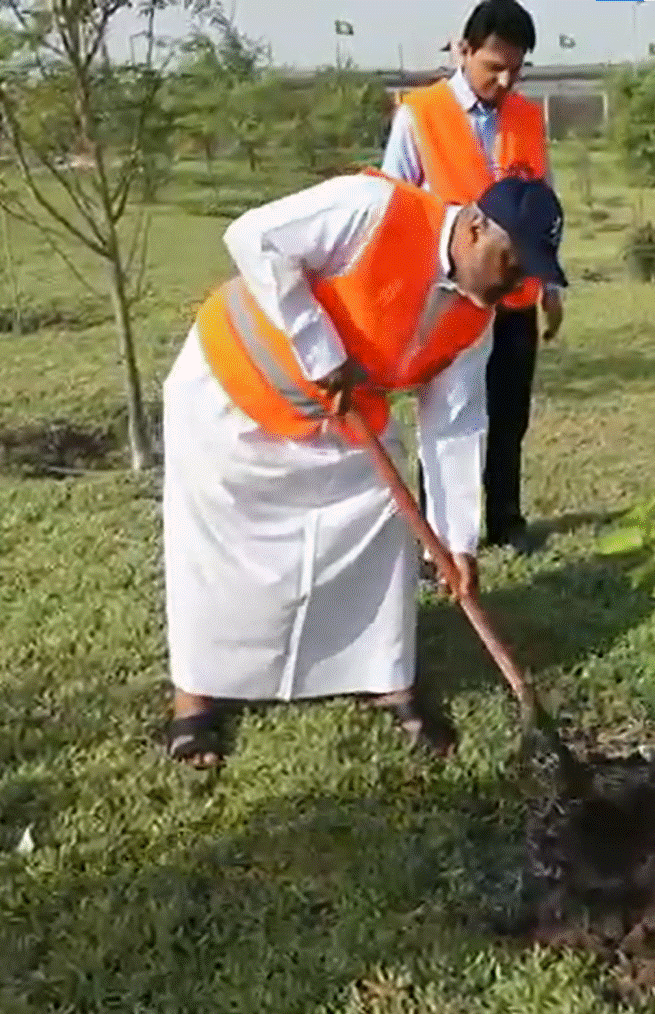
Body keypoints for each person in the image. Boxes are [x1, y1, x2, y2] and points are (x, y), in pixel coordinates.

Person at [160, 169, 568, 768]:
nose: (516, 283)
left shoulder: (477, 317)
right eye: (512, 263)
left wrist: (455, 545)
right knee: (217, 553)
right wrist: (319, 349)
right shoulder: (372, 207)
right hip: (234, 389)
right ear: (476, 227)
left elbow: (454, 424)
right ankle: (194, 701)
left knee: (380, 524)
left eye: (528, 272)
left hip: (341, 416)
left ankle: (388, 681)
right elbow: (253, 237)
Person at [381, 0, 563, 564]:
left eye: (516, 69)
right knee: (448, 420)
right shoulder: (420, 115)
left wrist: (551, 288)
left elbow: (543, 204)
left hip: (514, 297)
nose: (505, 80)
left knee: (509, 415)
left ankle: (505, 519)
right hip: (451, 297)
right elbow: (393, 204)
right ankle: (437, 537)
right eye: (493, 67)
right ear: (463, 51)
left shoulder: (528, 118)